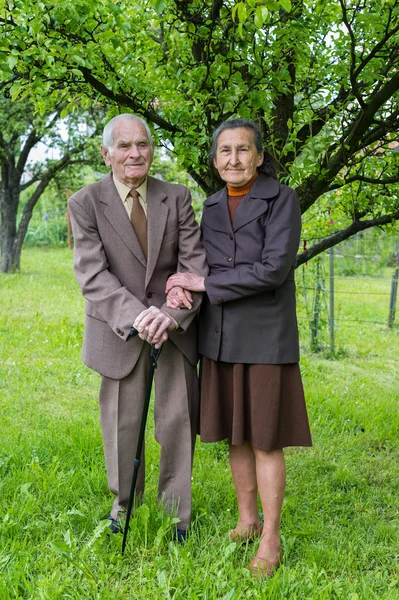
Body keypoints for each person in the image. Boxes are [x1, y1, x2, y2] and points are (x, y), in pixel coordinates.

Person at [165, 119, 312, 573]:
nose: (234, 159)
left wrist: (205, 282)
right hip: (220, 335)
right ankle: (247, 520)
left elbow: (273, 270)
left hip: (266, 337)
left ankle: (270, 537)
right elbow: (194, 262)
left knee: (265, 438)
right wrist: (179, 288)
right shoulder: (209, 205)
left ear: (260, 156)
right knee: (236, 433)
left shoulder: (281, 199)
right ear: (214, 161)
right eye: (225, 151)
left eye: (243, 150)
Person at [68, 113, 207, 542]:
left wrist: (168, 314)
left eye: (142, 144)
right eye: (124, 146)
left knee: (177, 422)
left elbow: (193, 264)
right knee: (121, 424)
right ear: (106, 154)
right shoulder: (85, 203)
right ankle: (123, 506)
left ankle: (176, 515)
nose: (135, 153)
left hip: (174, 328)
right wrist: (140, 317)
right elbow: (93, 276)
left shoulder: (178, 196)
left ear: (152, 149)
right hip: (119, 332)